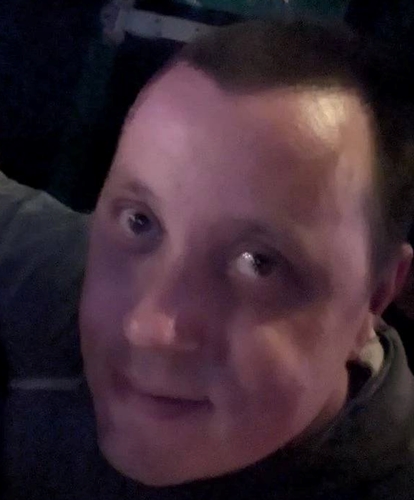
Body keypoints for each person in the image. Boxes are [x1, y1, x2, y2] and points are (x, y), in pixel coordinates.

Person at [2, 17, 414, 500]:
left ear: (373, 300)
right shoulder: (57, 283)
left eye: (259, 263)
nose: (149, 326)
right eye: (141, 221)